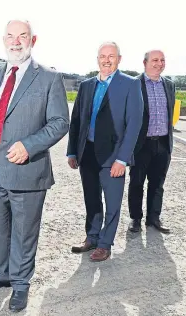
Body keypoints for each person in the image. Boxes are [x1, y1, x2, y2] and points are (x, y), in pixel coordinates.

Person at [0, 20, 69, 312]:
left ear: (32, 40)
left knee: (24, 232)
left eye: (22, 36)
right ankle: (2, 274)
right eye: (10, 36)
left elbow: (60, 122)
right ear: (3, 40)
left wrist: (29, 145)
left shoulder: (48, 78)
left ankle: (21, 285)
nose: (15, 41)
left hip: (28, 171)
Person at [67, 42, 143, 261]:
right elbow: (77, 121)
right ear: (97, 59)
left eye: (111, 56)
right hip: (87, 153)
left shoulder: (130, 85)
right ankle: (91, 237)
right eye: (102, 56)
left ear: (119, 58)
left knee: (112, 202)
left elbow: (134, 124)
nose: (106, 60)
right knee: (91, 198)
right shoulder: (86, 85)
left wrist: (123, 158)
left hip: (113, 156)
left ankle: (105, 244)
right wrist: (73, 151)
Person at [128, 50, 175, 234]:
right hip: (141, 144)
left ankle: (153, 218)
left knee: (157, 184)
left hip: (162, 144)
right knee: (136, 182)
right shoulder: (134, 84)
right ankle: (135, 219)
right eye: (155, 60)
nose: (159, 63)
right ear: (145, 62)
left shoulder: (169, 85)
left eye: (162, 60)